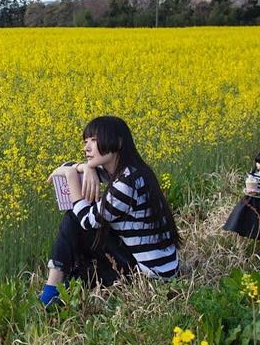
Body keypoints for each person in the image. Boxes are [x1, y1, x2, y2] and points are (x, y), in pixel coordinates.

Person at [41, 116, 180, 306]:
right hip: (161, 268)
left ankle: (51, 293)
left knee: (73, 217)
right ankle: (57, 288)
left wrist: (72, 177)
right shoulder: (134, 171)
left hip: (149, 278)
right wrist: (86, 168)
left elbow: (86, 220)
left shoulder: (126, 183)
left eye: (94, 141)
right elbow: (64, 167)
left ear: (119, 142)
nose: (87, 148)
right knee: (79, 220)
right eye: (86, 141)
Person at [222, 151, 260, 256]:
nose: (257, 164)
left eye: (259, 162)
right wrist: (246, 190)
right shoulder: (252, 174)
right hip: (247, 201)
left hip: (258, 203)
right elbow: (247, 187)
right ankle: (239, 250)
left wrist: (257, 191)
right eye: (257, 162)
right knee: (239, 224)